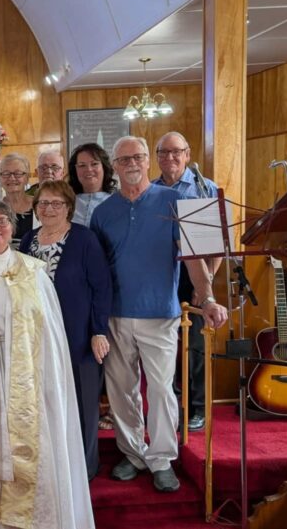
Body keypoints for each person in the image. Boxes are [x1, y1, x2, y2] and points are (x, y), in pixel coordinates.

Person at [0, 201, 96, 529]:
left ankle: (37, 515)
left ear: (12, 228)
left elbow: (50, 329)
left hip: (28, 376)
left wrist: (27, 360)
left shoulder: (33, 271)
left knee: (33, 439)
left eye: (2, 221)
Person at [89, 136, 228, 493]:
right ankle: (133, 453)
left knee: (163, 390)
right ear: (114, 167)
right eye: (124, 160)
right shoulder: (102, 213)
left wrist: (208, 298)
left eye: (137, 157)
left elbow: (194, 259)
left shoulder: (174, 201)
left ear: (148, 160)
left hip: (161, 314)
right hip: (116, 317)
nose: (131, 164)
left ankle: (162, 457)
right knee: (122, 391)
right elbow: (97, 271)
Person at [19, 180, 112, 480]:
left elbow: (102, 287)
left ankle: (84, 469)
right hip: (39, 335)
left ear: (69, 207)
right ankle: (52, 466)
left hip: (78, 335)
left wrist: (99, 331)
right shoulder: (28, 241)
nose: (49, 209)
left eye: (56, 203)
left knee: (83, 403)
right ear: (36, 208)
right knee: (46, 401)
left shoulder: (84, 239)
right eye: (43, 203)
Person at [151, 132, 221, 432]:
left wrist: (205, 285)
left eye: (176, 152)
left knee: (196, 347)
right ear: (156, 157)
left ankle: (198, 408)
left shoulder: (205, 188)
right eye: (163, 152)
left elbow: (217, 244)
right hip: (162, 276)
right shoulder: (151, 190)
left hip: (195, 278)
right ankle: (174, 406)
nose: (170, 157)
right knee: (165, 348)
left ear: (187, 154)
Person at [69, 142, 116, 227]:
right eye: (82, 165)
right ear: (75, 170)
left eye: (94, 164)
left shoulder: (116, 203)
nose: (89, 169)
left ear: (104, 167)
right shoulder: (67, 204)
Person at [0, 153, 37, 248]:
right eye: (6, 173)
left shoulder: (40, 206)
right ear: (0, 178)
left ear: (27, 178)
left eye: (18, 173)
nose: (12, 178)